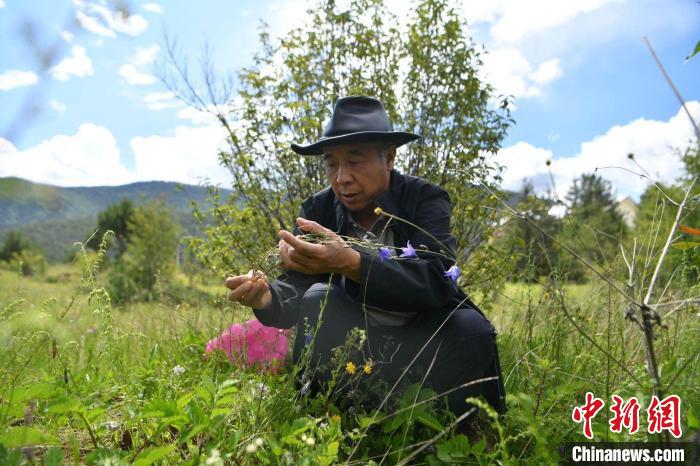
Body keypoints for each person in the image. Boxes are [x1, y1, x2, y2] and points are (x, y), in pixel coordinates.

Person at [224, 96, 506, 419]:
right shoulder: (317, 210)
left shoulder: (424, 199)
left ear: (388, 158)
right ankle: (329, 418)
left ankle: (442, 424)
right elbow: (297, 288)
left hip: (420, 339)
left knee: (472, 329)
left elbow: (439, 278)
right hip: (357, 348)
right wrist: (266, 297)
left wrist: (351, 263)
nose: (342, 177)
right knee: (318, 298)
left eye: (354, 161)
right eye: (331, 163)